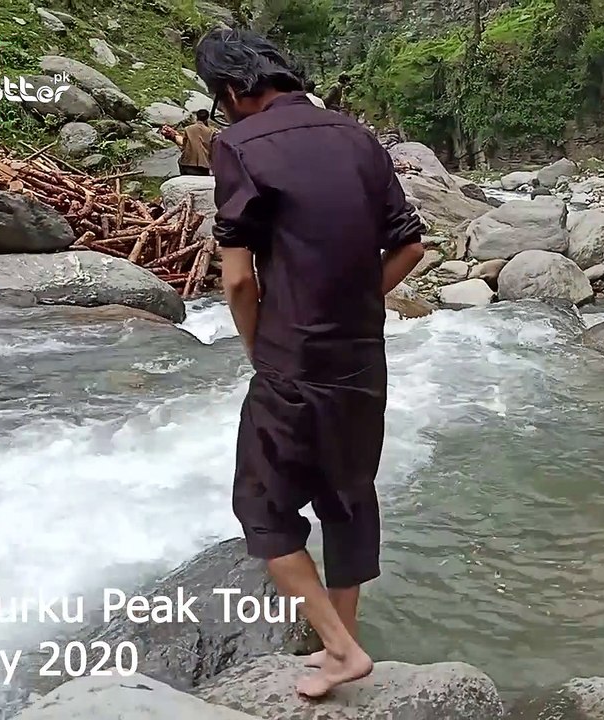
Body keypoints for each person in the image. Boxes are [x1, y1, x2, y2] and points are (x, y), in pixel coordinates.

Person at [194, 28, 426, 697]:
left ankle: (340, 648)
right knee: (347, 497)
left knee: (262, 505)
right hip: (361, 351)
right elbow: (411, 247)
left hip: (291, 356)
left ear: (236, 90)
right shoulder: (357, 137)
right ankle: (341, 648)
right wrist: (357, 301)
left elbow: (238, 280)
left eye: (221, 98)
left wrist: (258, 344)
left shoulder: (237, 145)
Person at [164, 109, 217, 176]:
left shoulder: (188, 129)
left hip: (187, 165)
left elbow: (184, 145)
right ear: (207, 118)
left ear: (196, 117)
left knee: (180, 160)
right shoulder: (211, 132)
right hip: (204, 167)